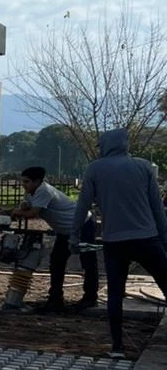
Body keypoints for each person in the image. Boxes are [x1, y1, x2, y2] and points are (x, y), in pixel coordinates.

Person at [71, 129, 167, 355]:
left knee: (115, 293)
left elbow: (82, 207)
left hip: (115, 242)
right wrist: (165, 240)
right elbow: (157, 209)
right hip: (147, 238)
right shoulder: (143, 167)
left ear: (106, 145)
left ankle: (117, 346)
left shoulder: (95, 168)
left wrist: (74, 236)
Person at [11, 166, 99, 314]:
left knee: (88, 261)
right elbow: (27, 205)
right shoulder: (32, 192)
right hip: (65, 230)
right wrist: (23, 207)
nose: (23, 185)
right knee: (57, 262)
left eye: (26, 182)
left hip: (82, 224)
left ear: (37, 181)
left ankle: (90, 298)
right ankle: (55, 299)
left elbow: (33, 213)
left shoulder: (44, 191)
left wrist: (15, 212)